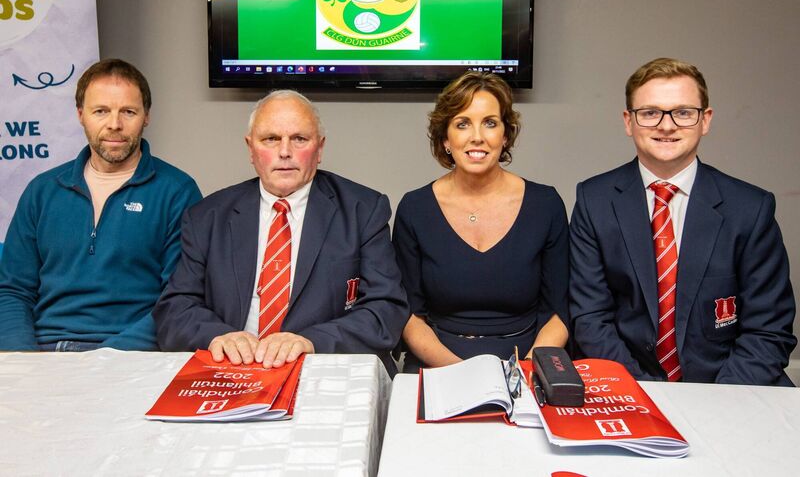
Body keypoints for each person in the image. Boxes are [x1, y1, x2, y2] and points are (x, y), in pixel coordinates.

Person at [570, 57, 796, 385]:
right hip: (631, 383)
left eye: (683, 112)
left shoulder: (750, 208)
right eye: (650, 113)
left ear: (705, 120)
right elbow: (590, 320)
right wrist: (643, 396)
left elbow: (768, 330)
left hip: (730, 385)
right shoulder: (595, 200)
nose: (666, 125)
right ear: (628, 121)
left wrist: (716, 404)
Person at [153, 90, 408, 374]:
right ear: (251, 149)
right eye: (271, 139)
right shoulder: (207, 216)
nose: (285, 151)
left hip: (322, 366)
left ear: (320, 149)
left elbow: (386, 310)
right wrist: (218, 336)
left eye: (299, 139)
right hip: (234, 368)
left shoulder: (363, 210)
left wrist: (310, 342)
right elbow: (174, 310)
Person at [0, 59, 202, 351]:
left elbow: (179, 298)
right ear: (81, 115)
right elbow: (13, 291)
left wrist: (107, 360)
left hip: (130, 357)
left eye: (128, 112)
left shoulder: (177, 192)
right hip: (43, 353)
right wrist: (24, 360)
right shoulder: (42, 191)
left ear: (146, 116)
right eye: (101, 111)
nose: (114, 124)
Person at [392, 72, 569, 373]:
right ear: (445, 139)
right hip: (438, 365)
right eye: (462, 123)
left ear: (505, 135)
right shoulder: (415, 208)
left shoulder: (546, 204)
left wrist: (522, 373)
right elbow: (410, 316)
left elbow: (559, 313)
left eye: (490, 122)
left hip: (527, 366)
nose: (477, 136)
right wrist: (467, 376)